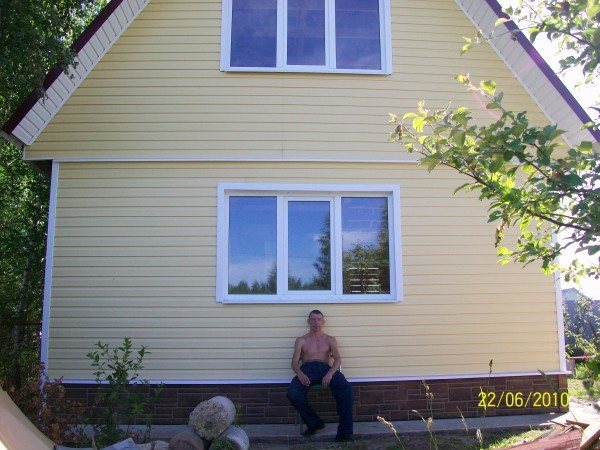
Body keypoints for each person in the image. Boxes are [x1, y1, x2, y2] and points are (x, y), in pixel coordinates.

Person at [286, 310, 354, 441]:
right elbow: (294, 362)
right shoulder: (301, 340)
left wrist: (329, 374)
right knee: (292, 392)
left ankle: (345, 433)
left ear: (323, 322)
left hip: (325, 368)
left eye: (319, 319)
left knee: (347, 390)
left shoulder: (330, 339)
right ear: (308, 321)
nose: (316, 322)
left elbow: (337, 360)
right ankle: (314, 423)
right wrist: (300, 374)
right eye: (313, 319)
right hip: (307, 369)